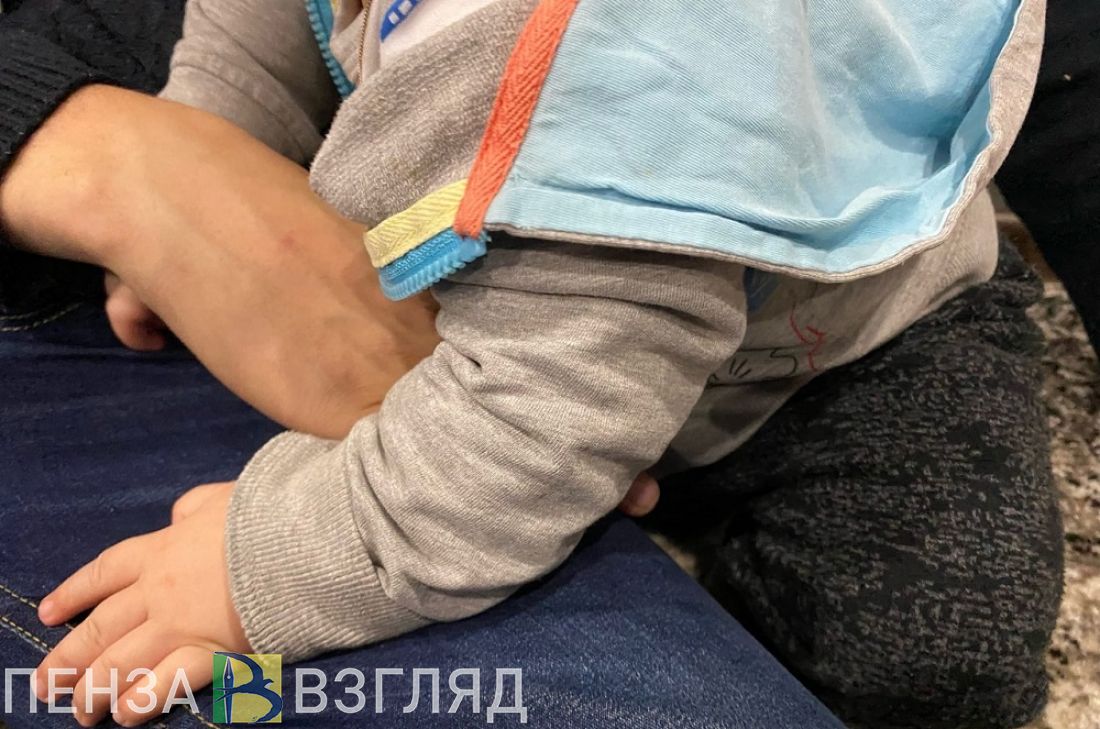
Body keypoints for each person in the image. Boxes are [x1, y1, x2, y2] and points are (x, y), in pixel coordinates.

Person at [0, 2, 1068, 729]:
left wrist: (269, 565)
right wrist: (210, 164)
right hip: (546, 329)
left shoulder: (649, 61)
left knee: (932, 651)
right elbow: (262, 24)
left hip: (847, 361)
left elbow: (539, 421)